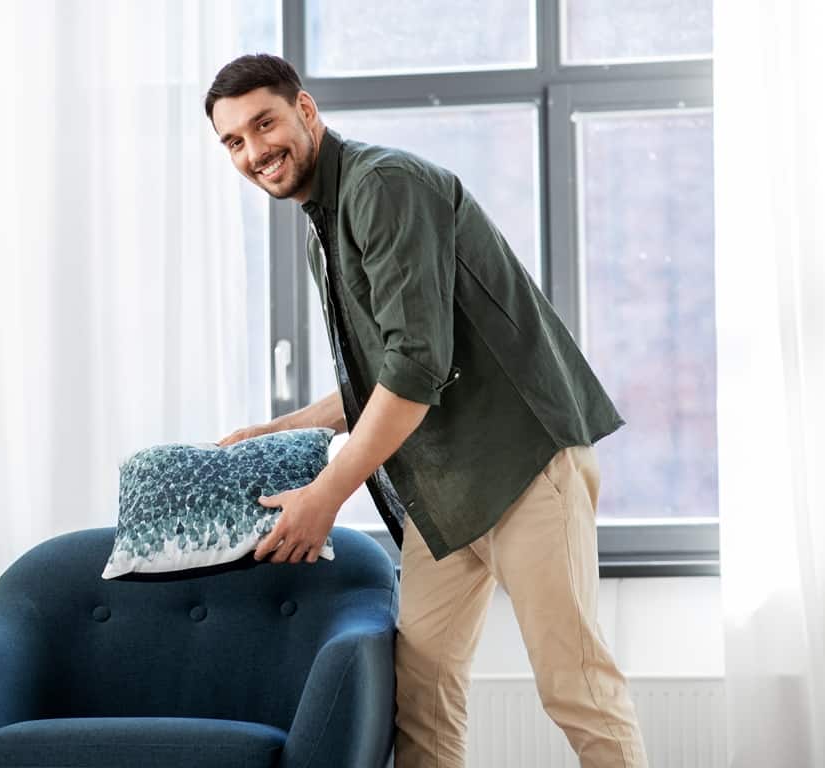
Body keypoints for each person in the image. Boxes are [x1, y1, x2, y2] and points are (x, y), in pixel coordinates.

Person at [205, 54, 648, 767]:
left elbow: (416, 368)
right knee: (424, 693)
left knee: (576, 690)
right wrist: (276, 430)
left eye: (265, 123)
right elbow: (380, 377)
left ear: (306, 111)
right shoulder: (326, 222)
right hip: (442, 496)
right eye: (234, 141)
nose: (255, 151)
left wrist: (327, 494)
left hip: (524, 468)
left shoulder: (383, 185)